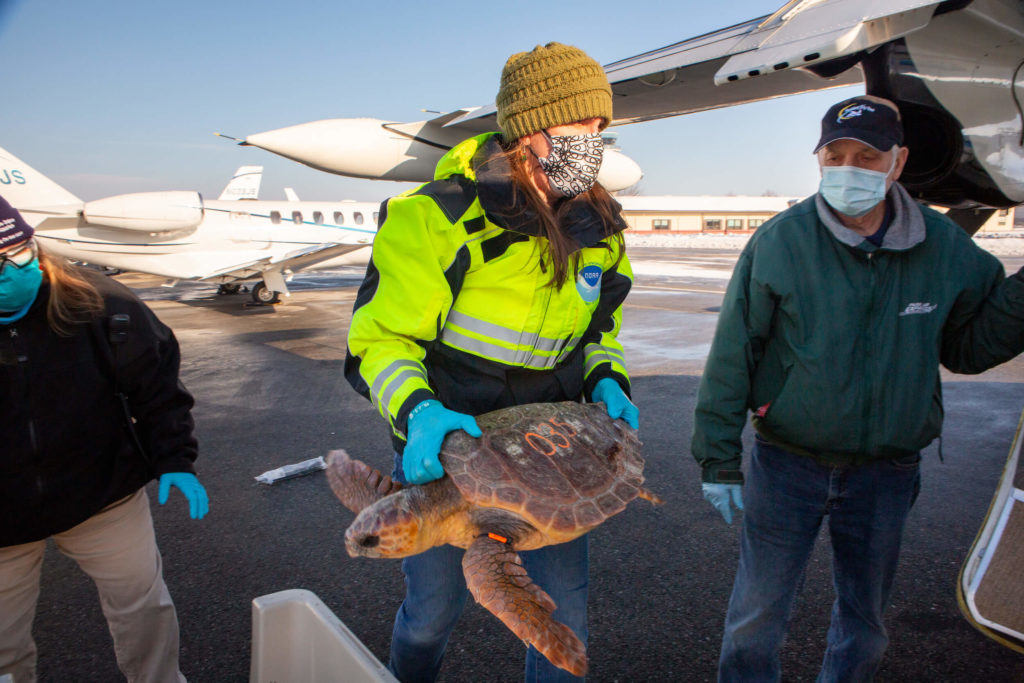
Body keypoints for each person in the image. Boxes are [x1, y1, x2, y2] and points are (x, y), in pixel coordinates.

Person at [692, 95, 1024, 682]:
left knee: (864, 622)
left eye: (866, 157)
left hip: (885, 473)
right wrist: (718, 458)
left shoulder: (945, 248)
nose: (848, 169)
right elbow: (733, 354)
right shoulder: (781, 242)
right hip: (788, 463)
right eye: (834, 155)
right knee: (755, 616)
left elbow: (969, 348)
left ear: (897, 163)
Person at [344, 42, 637, 683]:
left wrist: (607, 375)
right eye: (577, 126)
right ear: (528, 129)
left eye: (599, 129)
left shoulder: (599, 225)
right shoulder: (437, 217)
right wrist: (418, 412)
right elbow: (382, 339)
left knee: (567, 617)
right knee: (429, 613)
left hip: (547, 460)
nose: (592, 143)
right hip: (447, 446)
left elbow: (602, 328)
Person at [0, 196, 209, 683]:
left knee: (144, 610)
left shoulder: (103, 304)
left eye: (19, 253)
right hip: (3, 519)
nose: (11, 271)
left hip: (102, 496)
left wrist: (174, 457)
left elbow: (158, 388)